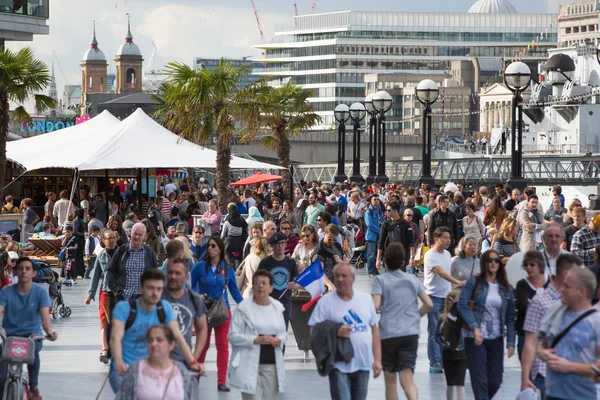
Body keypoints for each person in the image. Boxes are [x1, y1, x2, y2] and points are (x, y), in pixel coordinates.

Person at [109, 269, 201, 392]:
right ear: (140, 289)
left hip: (152, 369)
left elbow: (178, 337)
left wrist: (192, 362)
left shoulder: (164, 308)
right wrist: (119, 362)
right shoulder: (124, 308)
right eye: (150, 288)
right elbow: (115, 338)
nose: (155, 293)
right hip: (125, 369)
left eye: (159, 289)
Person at [308, 262, 382, 400]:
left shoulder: (365, 299)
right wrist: (334, 332)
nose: (340, 279)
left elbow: (374, 330)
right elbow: (313, 330)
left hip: (363, 363)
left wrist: (377, 360)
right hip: (338, 364)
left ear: (353, 278)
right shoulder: (325, 302)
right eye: (337, 276)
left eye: (344, 276)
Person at [372, 243, 432, 400]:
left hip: (388, 334)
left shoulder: (380, 280)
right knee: (407, 381)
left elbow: (375, 306)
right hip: (410, 333)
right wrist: (415, 316)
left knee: (390, 382)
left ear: (385, 260)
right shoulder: (412, 279)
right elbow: (429, 304)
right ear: (402, 262)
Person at [457, 249, 516, 400]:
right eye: (489, 260)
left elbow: (510, 317)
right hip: (475, 338)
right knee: (480, 381)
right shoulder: (474, 282)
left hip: (496, 338)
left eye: (496, 260)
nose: (493, 263)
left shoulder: (506, 288)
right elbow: (462, 304)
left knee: (496, 381)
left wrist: (510, 342)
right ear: (484, 263)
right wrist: (474, 327)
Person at [520, 254, 580, 399]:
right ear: (566, 274)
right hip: (546, 372)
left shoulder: (576, 300)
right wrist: (525, 378)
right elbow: (530, 342)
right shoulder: (540, 302)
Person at [536, 267, 600, 400]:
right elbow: (542, 346)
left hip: (582, 396)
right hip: (552, 394)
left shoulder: (596, 321)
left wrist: (570, 367)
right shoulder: (557, 312)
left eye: (567, 286)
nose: (561, 290)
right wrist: (544, 354)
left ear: (581, 291)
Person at [0, 257, 58, 399]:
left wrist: (49, 332)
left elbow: (45, 319)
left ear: (33, 273)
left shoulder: (41, 293)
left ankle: (34, 387)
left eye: (27, 269)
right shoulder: (6, 292)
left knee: (34, 355)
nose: (24, 271)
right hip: (9, 337)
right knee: (1, 375)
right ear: (15, 271)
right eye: (20, 269)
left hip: (32, 336)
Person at [191, 236, 243, 392]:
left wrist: (249, 307)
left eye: (213, 246)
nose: (210, 248)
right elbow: (190, 286)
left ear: (220, 249)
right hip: (203, 310)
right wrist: (198, 295)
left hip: (222, 310)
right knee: (202, 346)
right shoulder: (199, 267)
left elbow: (235, 293)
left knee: (223, 346)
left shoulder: (227, 269)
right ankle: (195, 378)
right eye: (208, 246)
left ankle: (221, 381)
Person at [228, 269, 287, 400]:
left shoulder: (277, 308)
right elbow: (232, 336)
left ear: (271, 288)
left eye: (264, 283)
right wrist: (255, 340)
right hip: (249, 363)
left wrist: (280, 340)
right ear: (253, 287)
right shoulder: (243, 309)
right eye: (257, 283)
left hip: (271, 365)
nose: (260, 286)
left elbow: (283, 333)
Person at [115, 324, 200, 399]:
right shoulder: (135, 371)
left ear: (171, 344)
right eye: (150, 340)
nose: (154, 344)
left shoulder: (181, 371)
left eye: (159, 340)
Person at [424, 227, 466, 373]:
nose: (449, 240)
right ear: (437, 239)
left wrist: (455, 288)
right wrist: (458, 281)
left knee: (445, 330)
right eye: (445, 238)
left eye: (449, 237)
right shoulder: (430, 255)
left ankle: (442, 359)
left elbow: (447, 274)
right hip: (433, 296)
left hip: (446, 297)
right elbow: (440, 272)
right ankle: (434, 362)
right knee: (434, 330)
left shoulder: (448, 254)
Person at [162, 258, 208, 368]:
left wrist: (194, 357)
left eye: (178, 273)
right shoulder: (157, 295)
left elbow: (202, 328)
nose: (173, 277)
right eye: (170, 273)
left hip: (183, 362)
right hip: (158, 361)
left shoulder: (194, 299)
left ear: (187, 277)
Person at [85, 228, 118, 364]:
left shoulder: (121, 253)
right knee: (104, 321)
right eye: (108, 238)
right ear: (103, 241)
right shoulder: (101, 256)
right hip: (106, 292)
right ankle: (105, 349)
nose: (111, 240)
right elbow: (96, 276)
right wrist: (90, 294)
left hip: (120, 292)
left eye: (113, 237)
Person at [106, 223, 159, 302]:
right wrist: (116, 290)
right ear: (131, 234)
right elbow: (111, 271)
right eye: (135, 234)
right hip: (123, 297)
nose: (137, 237)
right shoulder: (121, 250)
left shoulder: (149, 252)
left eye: (140, 235)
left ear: (144, 237)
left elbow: (156, 274)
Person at [514, 251, 549, 361]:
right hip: (525, 334)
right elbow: (523, 305)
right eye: (526, 265)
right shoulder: (522, 285)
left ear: (540, 265)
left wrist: (532, 303)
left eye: (532, 264)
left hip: (546, 335)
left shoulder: (550, 282)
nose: (528, 268)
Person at [438, 289, 467, 400]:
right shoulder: (443, 318)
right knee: (450, 383)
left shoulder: (461, 318)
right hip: (448, 353)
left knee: (459, 383)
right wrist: (443, 342)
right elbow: (437, 334)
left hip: (460, 354)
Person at [376, 200, 415, 272]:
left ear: (396, 210)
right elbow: (381, 242)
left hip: (402, 256)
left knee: (401, 279)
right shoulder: (386, 224)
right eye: (386, 210)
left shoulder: (405, 224)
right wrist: (378, 259)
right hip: (389, 256)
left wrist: (412, 257)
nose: (387, 212)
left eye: (389, 210)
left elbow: (411, 242)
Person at [365, 195, 385, 277]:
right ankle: (371, 271)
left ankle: (375, 270)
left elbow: (382, 220)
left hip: (379, 235)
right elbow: (369, 224)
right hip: (372, 235)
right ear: (371, 201)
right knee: (371, 254)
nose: (376, 201)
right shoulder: (369, 211)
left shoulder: (379, 210)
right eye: (374, 199)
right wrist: (380, 231)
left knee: (377, 254)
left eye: (378, 199)